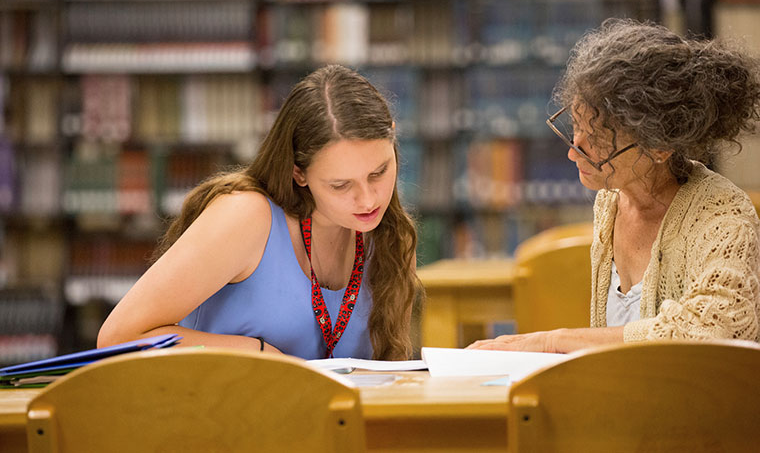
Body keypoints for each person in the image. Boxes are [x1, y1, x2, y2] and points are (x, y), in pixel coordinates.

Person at [469, 18, 760, 353]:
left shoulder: (723, 216)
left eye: (597, 141)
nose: (573, 150)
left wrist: (555, 340)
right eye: (575, 127)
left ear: (659, 146)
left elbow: (711, 331)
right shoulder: (610, 201)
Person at [98, 65, 422, 361]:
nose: (367, 200)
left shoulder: (390, 237)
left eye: (379, 172)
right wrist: (256, 354)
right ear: (299, 174)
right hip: (218, 419)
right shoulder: (246, 217)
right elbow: (119, 338)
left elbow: (385, 376)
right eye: (340, 185)